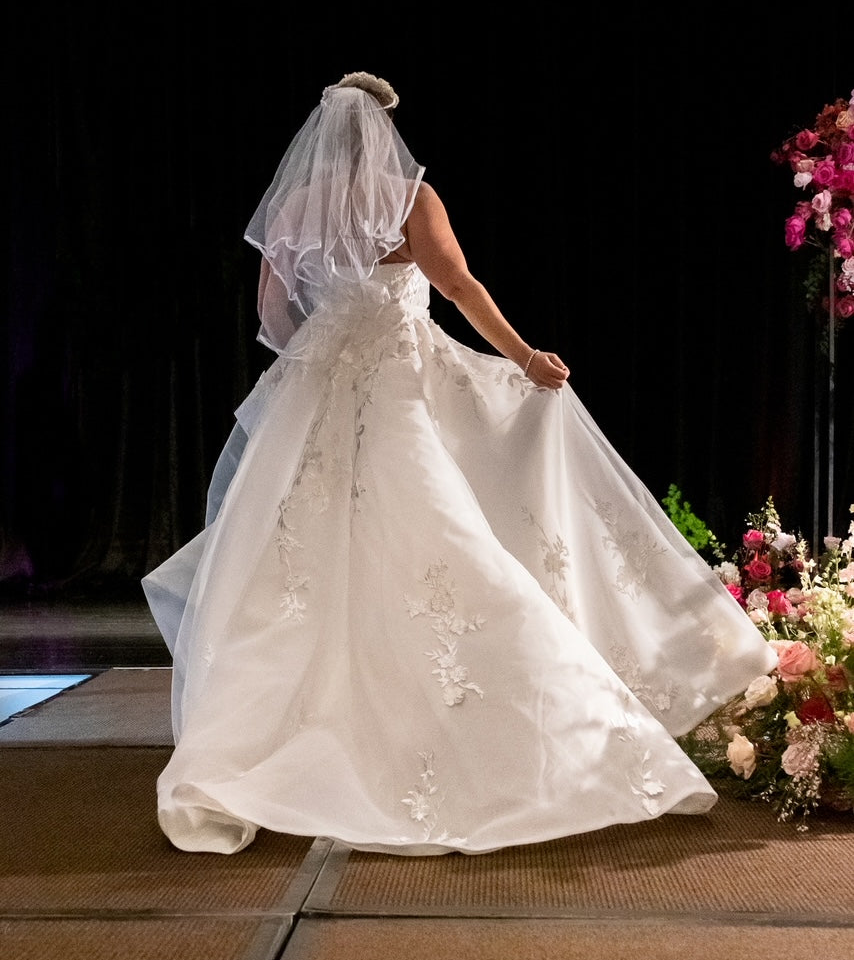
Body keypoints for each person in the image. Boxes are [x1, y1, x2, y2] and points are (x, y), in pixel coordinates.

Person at [143, 71, 776, 856]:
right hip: (401, 385)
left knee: (308, 557)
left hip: (321, 391)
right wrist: (523, 355)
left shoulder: (298, 206)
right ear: (384, 130)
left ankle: (302, 728)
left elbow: (275, 314)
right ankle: (541, 735)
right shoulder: (410, 199)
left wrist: (336, 334)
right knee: (444, 535)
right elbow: (461, 287)